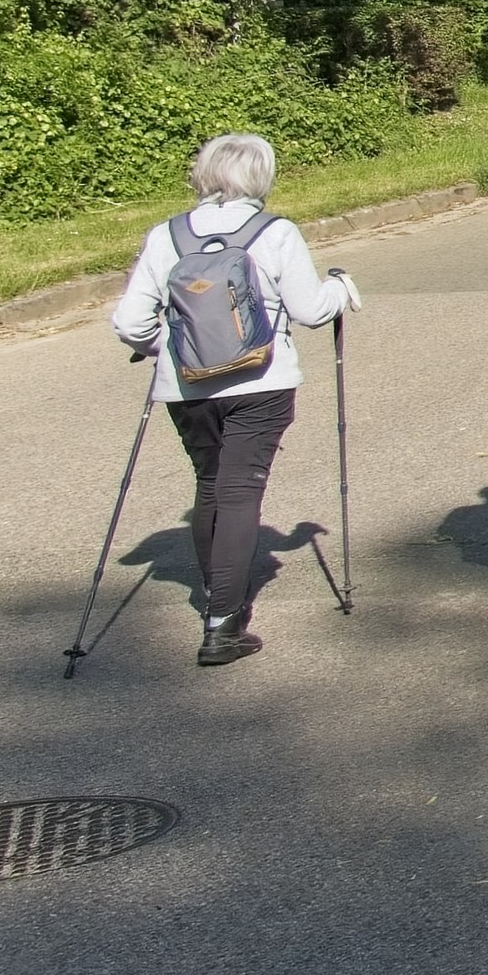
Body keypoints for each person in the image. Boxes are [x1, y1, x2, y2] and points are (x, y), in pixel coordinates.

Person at [108, 133, 365, 666]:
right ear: (261, 178)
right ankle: (223, 624)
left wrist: (170, 346)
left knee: (210, 484)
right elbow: (311, 309)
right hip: (261, 382)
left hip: (187, 386)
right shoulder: (275, 233)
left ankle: (216, 600)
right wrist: (342, 289)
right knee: (241, 490)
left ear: (204, 175)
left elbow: (130, 323)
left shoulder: (166, 236)